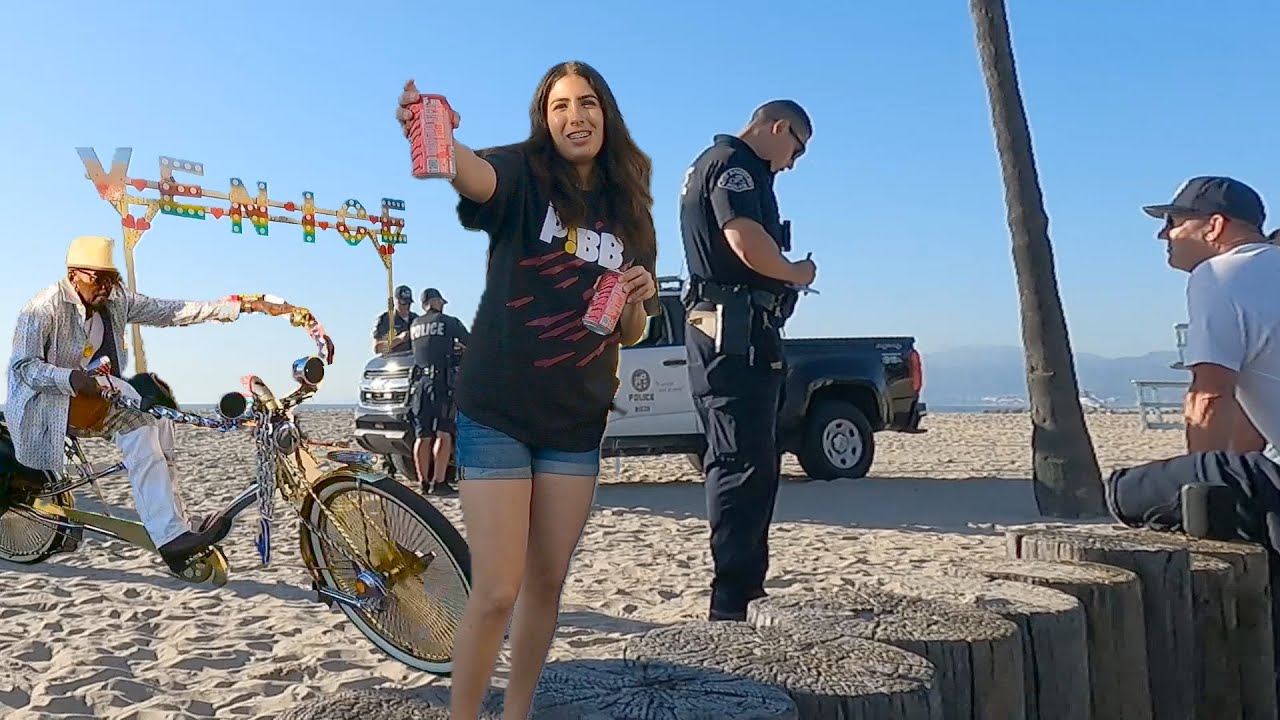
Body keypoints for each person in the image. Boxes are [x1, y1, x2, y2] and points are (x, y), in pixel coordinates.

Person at [395, 61, 660, 719]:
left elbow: (629, 331)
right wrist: (433, 135)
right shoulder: (523, 175)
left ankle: (517, 714)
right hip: (499, 407)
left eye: (589, 102)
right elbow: (472, 174)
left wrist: (637, 297)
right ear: (545, 119)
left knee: (546, 584)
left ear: (608, 113)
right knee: (496, 591)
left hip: (576, 419)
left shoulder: (632, 209)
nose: (577, 116)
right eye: (561, 105)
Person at [6, 235, 296, 573]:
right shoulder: (43, 308)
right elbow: (22, 367)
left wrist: (241, 306)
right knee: (137, 427)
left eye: (111, 279)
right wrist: (69, 378)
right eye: (97, 279)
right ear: (74, 275)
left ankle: (179, 522)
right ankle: (170, 539)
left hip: (90, 389)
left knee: (160, 414)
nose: (106, 287)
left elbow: (170, 311)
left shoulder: (113, 299)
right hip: (46, 400)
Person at [1102, 176, 1280, 691]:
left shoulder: (1219, 276)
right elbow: (1252, 419)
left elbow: (1210, 394)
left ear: (1215, 227)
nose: (1164, 235)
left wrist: (1201, 493)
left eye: (1174, 221)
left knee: (1124, 491)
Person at [678, 100, 817, 622]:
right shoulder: (733, 165)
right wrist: (794, 272)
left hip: (730, 331)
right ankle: (733, 602)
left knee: (747, 462)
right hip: (734, 335)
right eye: (796, 148)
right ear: (777, 127)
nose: (793, 162)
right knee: (741, 465)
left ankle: (741, 591)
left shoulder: (715, 163)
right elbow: (743, 239)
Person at [408, 287, 469, 495]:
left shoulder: (414, 325)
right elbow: (471, 344)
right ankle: (439, 482)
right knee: (443, 432)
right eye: (441, 302)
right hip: (441, 381)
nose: (443, 305)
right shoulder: (448, 322)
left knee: (422, 435)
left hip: (419, 384)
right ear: (435, 302)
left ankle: (422, 483)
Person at [372, 284, 417, 354]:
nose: (407, 306)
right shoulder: (384, 320)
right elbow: (377, 349)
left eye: (409, 303)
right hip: (393, 360)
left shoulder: (416, 319)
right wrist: (399, 339)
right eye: (403, 303)